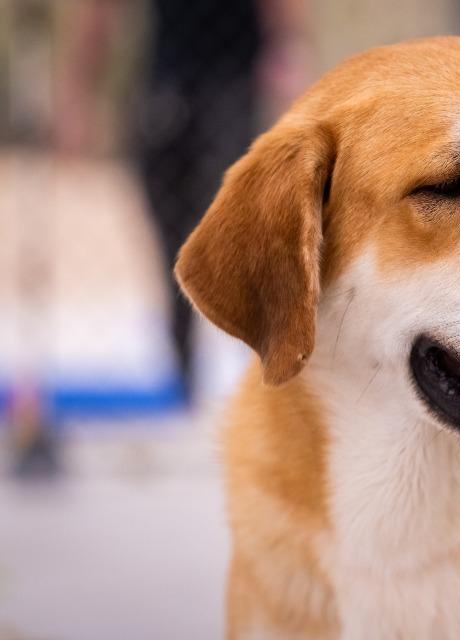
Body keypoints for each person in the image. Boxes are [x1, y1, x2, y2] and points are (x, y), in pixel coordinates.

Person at [55, 0, 310, 404]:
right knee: (170, 233)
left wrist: (288, 55)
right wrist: (77, 95)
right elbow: (100, 12)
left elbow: (283, 15)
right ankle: (184, 368)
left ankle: (264, 368)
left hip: (232, 80)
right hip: (167, 78)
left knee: (235, 224)